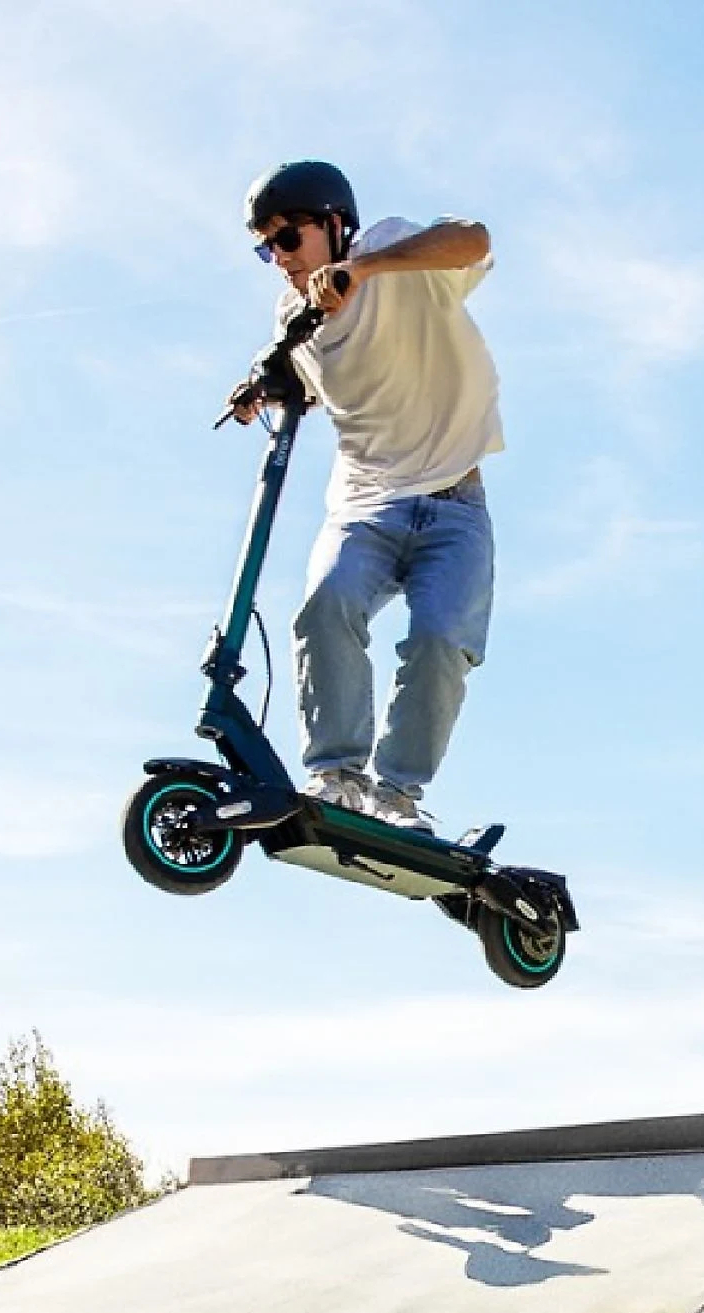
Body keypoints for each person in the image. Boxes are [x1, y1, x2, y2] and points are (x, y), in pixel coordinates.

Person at [232, 160, 502, 832]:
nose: (279, 260)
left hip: (456, 504)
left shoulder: (391, 248)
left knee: (442, 641)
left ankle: (398, 797)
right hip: (367, 503)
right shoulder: (297, 315)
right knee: (328, 606)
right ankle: (336, 777)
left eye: (288, 239)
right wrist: (259, 388)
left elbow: (474, 238)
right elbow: (298, 380)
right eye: (266, 247)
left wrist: (368, 271)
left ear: (333, 224)